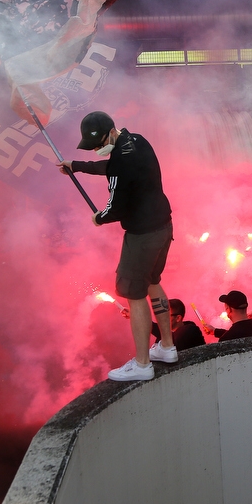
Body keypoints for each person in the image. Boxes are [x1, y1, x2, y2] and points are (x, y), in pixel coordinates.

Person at [59, 111, 176, 382]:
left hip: (141, 236)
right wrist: (76, 165)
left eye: (99, 144)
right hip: (163, 227)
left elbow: (115, 207)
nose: (98, 149)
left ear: (110, 132)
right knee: (152, 282)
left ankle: (142, 364)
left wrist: (99, 217)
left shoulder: (121, 164)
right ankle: (167, 347)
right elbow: (113, 167)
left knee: (133, 295)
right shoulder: (137, 141)